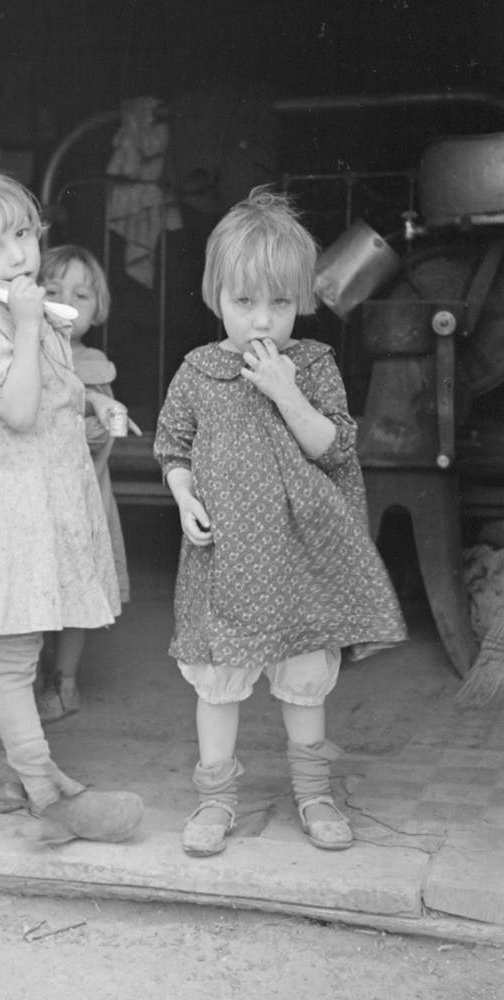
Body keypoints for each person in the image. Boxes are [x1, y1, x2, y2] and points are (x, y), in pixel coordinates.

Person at [153, 186, 407, 857]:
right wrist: (184, 495)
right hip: (226, 565)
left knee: (302, 683)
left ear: (303, 301)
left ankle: (315, 793)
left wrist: (284, 389)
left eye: (281, 303)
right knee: (219, 682)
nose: (263, 322)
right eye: (245, 303)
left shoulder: (314, 365)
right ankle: (215, 802)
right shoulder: (198, 373)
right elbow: (172, 447)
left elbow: (335, 448)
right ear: (216, 299)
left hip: (298, 563)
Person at [0, 168, 143, 843]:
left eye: (22, 234)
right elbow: (19, 410)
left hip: (39, 508)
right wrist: (26, 327)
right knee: (10, 663)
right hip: (6, 517)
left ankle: (2, 784)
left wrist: (95, 399)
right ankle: (45, 790)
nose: (18, 254)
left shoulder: (25, 307)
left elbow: (53, 387)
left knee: (18, 657)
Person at [36, 244, 131, 722]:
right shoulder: (21, 350)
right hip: (35, 503)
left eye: (81, 295)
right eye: (52, 291)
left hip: (80, 501)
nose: (66, 303)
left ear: (99, 310)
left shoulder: (92, 365)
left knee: (74, 594)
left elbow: (97, 435)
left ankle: (64, 683)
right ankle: (25, 683)